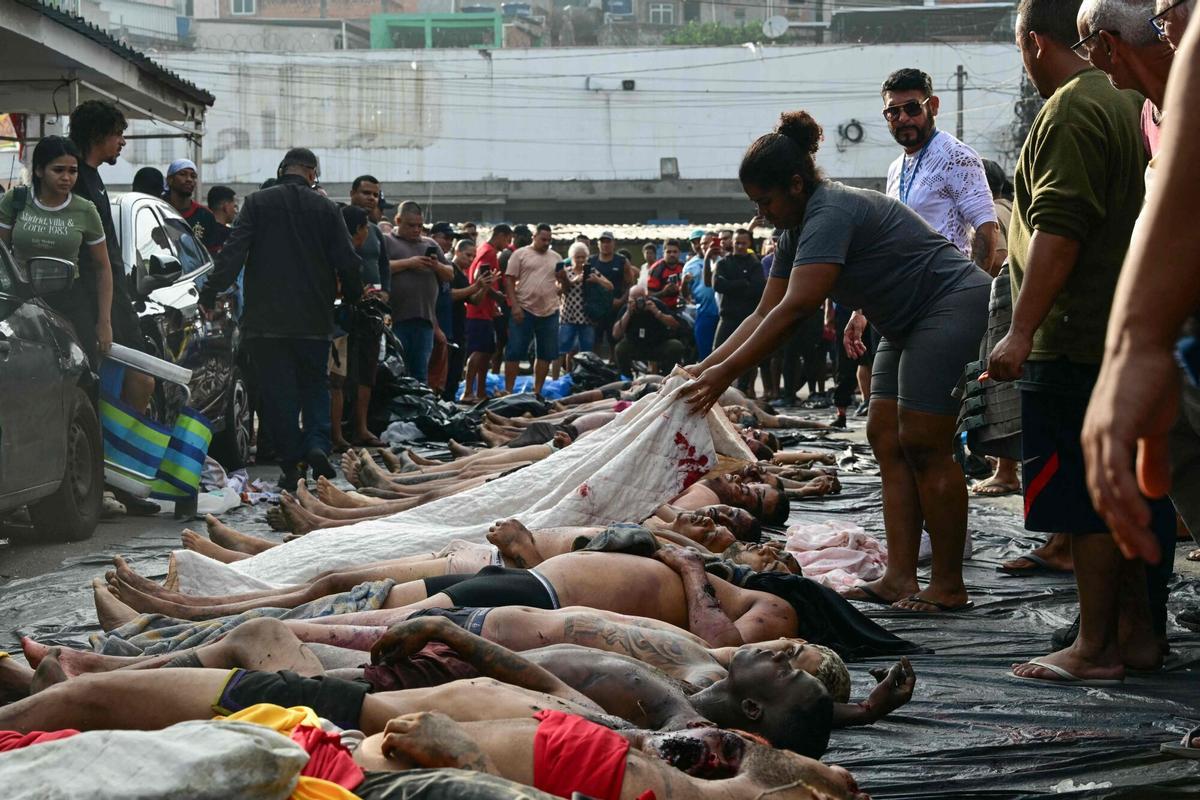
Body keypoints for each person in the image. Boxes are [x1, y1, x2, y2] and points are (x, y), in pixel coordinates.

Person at [683, 111, 991, 614]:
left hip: (950, 302)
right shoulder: (793, 231)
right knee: (884, 437)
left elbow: (796, 308)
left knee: (923, 442)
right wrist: (704, 368)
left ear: (797, 185)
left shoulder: (830, 210)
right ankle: (899, 577)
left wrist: (721, 378)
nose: (761, 215)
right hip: (899, 321)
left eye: (765, 202)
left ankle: (949, 585)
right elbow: (764, 309)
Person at [986, 0, 1174, 685]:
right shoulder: (1134, 101)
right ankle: (1138, 635)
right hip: (1130, 335)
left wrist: (1019, 331)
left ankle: (1098, 646)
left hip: (1075, 338)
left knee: (1091, 500)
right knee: (1134, 491)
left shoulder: (1072, 108)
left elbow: (1060, 230)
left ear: (1035, 43)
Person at [1082, 0, 1200, 651]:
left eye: (1169, 11)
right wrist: (1142, 341)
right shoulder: (1151, 112)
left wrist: (1137, 343)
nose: (1168, 24)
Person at [199, 147, 364, 491]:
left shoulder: (258, 203)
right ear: (312, 173)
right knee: (315, 383)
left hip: (266, 322)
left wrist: (211, 291)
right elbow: (348, 261)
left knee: (280, 393)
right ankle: (318, 442)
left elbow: (234, 252)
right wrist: (352, 297)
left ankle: (291, 463)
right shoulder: (326, 208)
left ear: (282, 169)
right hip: (314, 319)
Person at [0, 136, 113, 368]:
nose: (66, 177)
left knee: (85, 369)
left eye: (73, 171)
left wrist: (104, 321)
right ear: (40, 170)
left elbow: (103, 267)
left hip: (69, 299)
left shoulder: (85, 210)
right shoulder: (16, 200)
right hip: (20, 298)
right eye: (58, 170)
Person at [881, 68, 1000, 272]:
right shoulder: (895, 168)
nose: (902, 118)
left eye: (912, 108)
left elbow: (987, 227)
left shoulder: (956, 156)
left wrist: (973, 289)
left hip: (947, 289)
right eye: (893, 111)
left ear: (933, 106)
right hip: (905, 291)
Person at [970, 160, 1023, 497]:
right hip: (1013, 310)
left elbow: (998, 257)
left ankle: (1006, 472)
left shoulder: (993, 212)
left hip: (1002, 309)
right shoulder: (1010, 207)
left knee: (1000, 394)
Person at [384, 201, 453, 385]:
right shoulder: (387, 241)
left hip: (425, 321)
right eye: (410, 225)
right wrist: (409, 263)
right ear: (398, 220)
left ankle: (419, 408)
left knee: (420, 374)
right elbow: (380, 269)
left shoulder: (429, 243)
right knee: (396, 372)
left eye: (419, 226)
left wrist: (436, 265)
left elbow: (449, 274)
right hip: (395, 321)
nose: (416, 230)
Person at [504, 223, 568, 396]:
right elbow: (509, 280)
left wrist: (564, 279)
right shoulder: (520, 254)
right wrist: (515, 306)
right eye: (543, 239)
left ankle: (537, 391)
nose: (546, 243)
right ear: (534, 237)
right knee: (515, 351)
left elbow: (565, 287)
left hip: (550, 310)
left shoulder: (556, 257)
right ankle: (508, 391)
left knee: (546, 353)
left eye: (549, 240)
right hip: (524, 308)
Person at [713, 229, 766, 395]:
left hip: (748, 318)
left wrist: (732, 285)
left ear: (749, 244)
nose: (740, 246)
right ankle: (716, 388)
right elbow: (718, 285)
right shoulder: (723, 263)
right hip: (728, 316)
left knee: (747, 356)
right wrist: (743, 283)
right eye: (737, 243)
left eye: (744, 243)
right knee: (717, 351)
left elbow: (758, 289)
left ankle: (742, 389)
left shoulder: (755, 264)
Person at [464, 225, 511, 402]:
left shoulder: (484, 250)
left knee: (486, 351)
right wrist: (495, 295)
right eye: (507, 240)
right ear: (499, 235)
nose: (508, 245)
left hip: (485, 310)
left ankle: (481, 392)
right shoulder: (489, 252)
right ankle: (468, 391)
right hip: (478, 310)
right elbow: (479, 277)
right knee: (479, 351)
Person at [444, 238, 491, 402]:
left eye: (473, 256)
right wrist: (475, 287)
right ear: (457, 252)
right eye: (467, 255)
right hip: (448, 325)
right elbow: (449, 295)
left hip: (459, 325)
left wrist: (484, 287)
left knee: (456, 369)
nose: (471, 260)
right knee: (448, 369)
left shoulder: (462, 274)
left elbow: (474, 300)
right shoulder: (449, 269)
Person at [558, 241, 612, 374]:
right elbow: (557, 290)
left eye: (583, 257)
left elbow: (610, 286)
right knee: (563, 349)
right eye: (577, 257)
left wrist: (597, 280)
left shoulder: (592, 271)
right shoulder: (566, 271)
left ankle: (582, 375)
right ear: (572, 258)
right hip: (568, 316)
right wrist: (573, 280)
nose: (581, 260)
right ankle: (563, 375)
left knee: (586, 351)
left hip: (587, 318)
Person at [613, 285, 685, 378]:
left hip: (657, 344)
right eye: (634, 299)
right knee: (620, 349)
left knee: (676, 346)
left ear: (646, 297)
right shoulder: (627, 308)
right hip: (635, 345)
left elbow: (675, 325)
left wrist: (657, 312)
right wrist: (628, 313)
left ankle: (667, 376)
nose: (638, 302)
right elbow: (616, 334)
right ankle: (626, 378)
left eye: (640, 298)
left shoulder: (656, 304)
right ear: (629, 299)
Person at [588, 230, 637, 358]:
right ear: (598, 244)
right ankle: (595, 366)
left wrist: (621, 300)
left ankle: (615, 366)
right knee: (595, 340)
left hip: (615, 307)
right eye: (602, 242)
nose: (605, 244)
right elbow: (585, 285)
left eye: (608, 241)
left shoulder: (621, 261)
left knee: (614, 339)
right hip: (596, 308)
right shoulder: (591, 261)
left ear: (613, 243)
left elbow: (630, 284)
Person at [163, 159, 222, 256]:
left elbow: (212, 254)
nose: (189, 179)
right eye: (183, 174)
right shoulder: (159, 210)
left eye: (193, 176)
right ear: (170, 180)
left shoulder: (206, 216)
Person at [427, 222, 459, 394]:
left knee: (442, 376)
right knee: (431, 372)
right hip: (431, 322)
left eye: (452, 239)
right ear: (433, 238)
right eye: (446, 238)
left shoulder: (445, 263)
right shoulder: (425, 261)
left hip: (445, 323)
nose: (449, 242)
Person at [493, 224, 530, 375]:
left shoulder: (518, 253)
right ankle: (496, 371)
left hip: (513, 301)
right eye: (526, 238)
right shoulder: (508, 255)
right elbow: (506, 281)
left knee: (508, 340)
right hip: (505, 303)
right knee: (503, 340)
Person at [683, 231, 720, 360]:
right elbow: (685, 294)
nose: (699, 245)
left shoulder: (724, 258)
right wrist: (683, 283)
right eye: (695, 242)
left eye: (703, 242)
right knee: (706, 356)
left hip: (725, 314)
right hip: (704, 313)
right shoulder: (689, 265)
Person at [645, 239, 686, 310]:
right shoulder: (657, 269)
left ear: (679, 253)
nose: (672, 254)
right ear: (663, 253)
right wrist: (663, 293)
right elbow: (648, 295)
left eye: (675, 252)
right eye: (668, 252)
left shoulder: (683, 266)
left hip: (681, 306)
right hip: (661, 309)